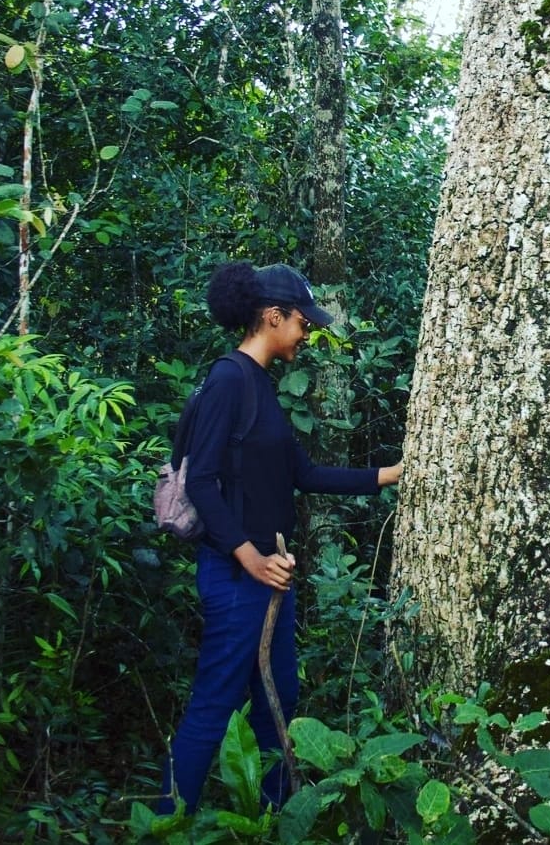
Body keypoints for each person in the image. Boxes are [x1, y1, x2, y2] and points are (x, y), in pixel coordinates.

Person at [158, 261, 402, 813]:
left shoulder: (259, 386)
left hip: (272, 576)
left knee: (279, 697)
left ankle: (273, 813)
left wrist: (390, 475)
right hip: (238, 575)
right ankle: (166, 822)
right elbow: (200, 479)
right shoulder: (227, 378)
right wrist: (247, 557)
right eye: (302, 322)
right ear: (272, 316)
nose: (308, 333)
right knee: (215, 700)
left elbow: (304, 473)